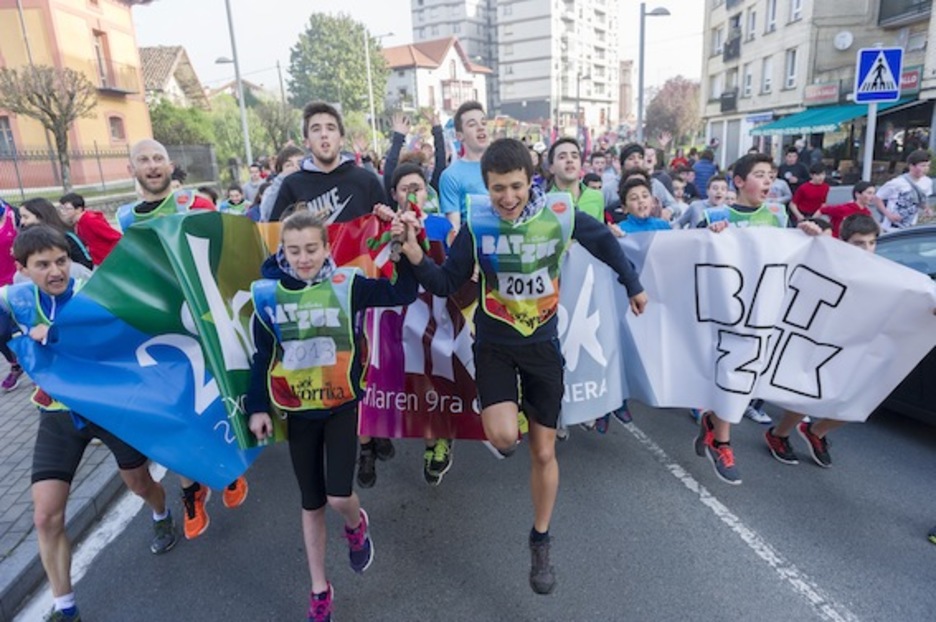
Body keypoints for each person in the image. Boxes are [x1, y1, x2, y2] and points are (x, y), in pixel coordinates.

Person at [397, 138, 648, 595]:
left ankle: (540, 538)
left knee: (545, 452)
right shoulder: (477, 221)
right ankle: (507, 413)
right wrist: (414, 254)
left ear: (530, 181)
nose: (507, 198)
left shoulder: (559, 212)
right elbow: (446, 282)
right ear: (486, 186)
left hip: (543, 346)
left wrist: (632, 282)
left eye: (514, 187)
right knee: (503, 436)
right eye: (497, 189)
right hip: (494, 343)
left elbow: (606, 246)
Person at [247, 210, 418, 622]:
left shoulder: (348, 285)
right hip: (297, 410)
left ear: (327, 248)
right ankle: (319, 588)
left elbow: (402, 293)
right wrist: (257, 407)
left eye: (311, 249)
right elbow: (262, 355)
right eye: (294, 251)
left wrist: (403, 248)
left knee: (338, 495)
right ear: (282, 253)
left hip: (341, 404)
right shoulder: (269, 295)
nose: (303, 258)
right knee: (311, 503)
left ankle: (356, 524)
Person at [3, 226, 177, 622]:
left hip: (108, 410)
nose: (55, 271)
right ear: (23, 269)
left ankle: (161, 513)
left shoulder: (91, 294)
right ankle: (66, 608)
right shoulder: (15, 299)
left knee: (139, 484)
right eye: (42, 264)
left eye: (61, 261)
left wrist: (60, 332)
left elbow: (122, 333)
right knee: (45, 516)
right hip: (57, 416)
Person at [119, 138, 246, 540]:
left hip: (204, 320)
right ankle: (192, 488)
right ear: (132, 169)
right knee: (175, 412)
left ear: (171, 166)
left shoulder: (196, 205)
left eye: (158, 158)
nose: (152, 165)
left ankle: (226, 467)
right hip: (161, 329)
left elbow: (226, 252)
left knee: (213, 403)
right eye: (144, 160)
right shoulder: (125, 218)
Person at [695, 153, 819, 485]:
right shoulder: (715, 214)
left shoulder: (778, 215)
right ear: (738, 181)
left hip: (766, 309)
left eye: (771, 175)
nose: (768, 181)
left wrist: (808, 233)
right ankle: (721, 441)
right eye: (760, 174)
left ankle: (712, 424)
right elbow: (688, 254)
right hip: (725, 313)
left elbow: (798, 256)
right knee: (730, 373)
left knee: (746, 375)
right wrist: (708, 234)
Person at [763, 213, 879, 468]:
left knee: (857, 400)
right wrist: (807, 233)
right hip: (819, 336)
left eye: (872, 242)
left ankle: (816, 431)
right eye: (860, 243)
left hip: (855, 341)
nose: (867, 249)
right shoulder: (830, 258)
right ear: (844, 241)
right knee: (807, 391)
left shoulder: (883, 271)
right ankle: (779, 435)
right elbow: (801, 255)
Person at [389, 162, 456, 485]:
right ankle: (433, 441)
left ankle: (441, 438)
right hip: (402, 316)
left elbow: (455, 269)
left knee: (439, 378)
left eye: (417, 187)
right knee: (417, 382)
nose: (411, 193)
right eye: (404, 188)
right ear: (394, 195)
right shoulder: (385, 228)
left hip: (440, 312)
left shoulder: (442, 226)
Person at [269, 102, 387, 223]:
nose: (324, 134)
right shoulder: (292, 185)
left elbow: (386, 233)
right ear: (306, 142)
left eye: (330, 128)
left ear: (341, 140)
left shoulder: (366, 181)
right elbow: (274, 232)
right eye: (316, 129)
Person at [438, 100, 490, 230]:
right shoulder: (450, 176)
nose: (480, 127)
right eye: (472, 124)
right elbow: (453, 229)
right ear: (459, 136)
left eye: (483, 123)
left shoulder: (504, 166)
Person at [18, 199, 93, 270]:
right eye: (21, 217)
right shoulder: (26, 240)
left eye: (26, 217)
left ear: (41, 216)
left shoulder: (68, 237)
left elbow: (86, 263)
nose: (22, 221)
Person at [547, 137, 604, 221]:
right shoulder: (546, 202)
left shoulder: (596, 196)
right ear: (551, 168)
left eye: (574, 156)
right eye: (562, 157)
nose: (569, 160)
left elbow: (600, 231)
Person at [875, 149, 933, 231]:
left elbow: (921, 201)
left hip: (911, 225)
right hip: (891, 227)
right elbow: (878, 198)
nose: (926, 169)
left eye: (928, 165)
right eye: (923, 166)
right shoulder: (897, 182)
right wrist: (888, 215)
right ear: (912, 166)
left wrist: (927, 209)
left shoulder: (927, 182)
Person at [58, 193, 121, 266]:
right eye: (61, 208)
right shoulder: (78, 223)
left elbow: (116, 237)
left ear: (79, 209)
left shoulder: (90, 220)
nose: (63, 212)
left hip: (107, 262)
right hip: (98, 261)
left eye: (67, 209)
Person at [0, 198, 21, 392]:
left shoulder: (13, 214)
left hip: (17, 282)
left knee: (27, 328)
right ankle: (15, 365)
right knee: (1, 333)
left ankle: (42, 374)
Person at [259, 145, 305, 223]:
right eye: (289, 165)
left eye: (300, 163)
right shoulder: (271, 191)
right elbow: (266, 216)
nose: (296, 168)